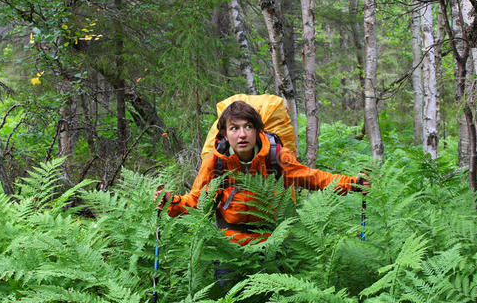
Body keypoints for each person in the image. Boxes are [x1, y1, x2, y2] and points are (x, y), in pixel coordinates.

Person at [155, 100, 370, 245]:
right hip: (230, 245)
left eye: (248, 127)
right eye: (234, 128)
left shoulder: (276, 157)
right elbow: (195, 201)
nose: (242, 134)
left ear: (258, 130)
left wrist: (352, 183)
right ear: (224, 134)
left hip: (272, 241)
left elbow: (313, 178)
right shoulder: (215, 162)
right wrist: (171, 201)